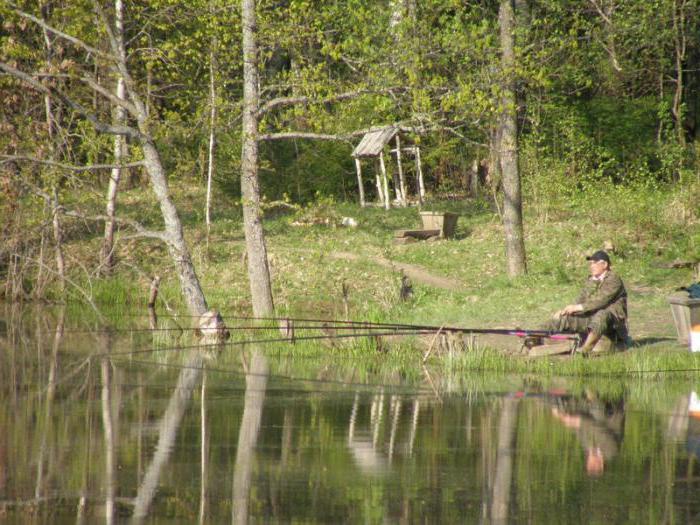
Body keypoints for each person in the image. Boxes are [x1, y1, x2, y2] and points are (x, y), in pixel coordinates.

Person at [548, 250, 628, 355]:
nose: (591, 266)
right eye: (590, 263)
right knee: (563, 318)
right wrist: (566, 311)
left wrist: (577, 308)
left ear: (605, 264)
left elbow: (600, 301)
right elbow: (580, 300)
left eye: (594, 263)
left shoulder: (614, 279)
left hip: (612, 323)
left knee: (602, 314)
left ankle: (585, 350)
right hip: (591, 318)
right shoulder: (591, 280)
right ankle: (532, 338)